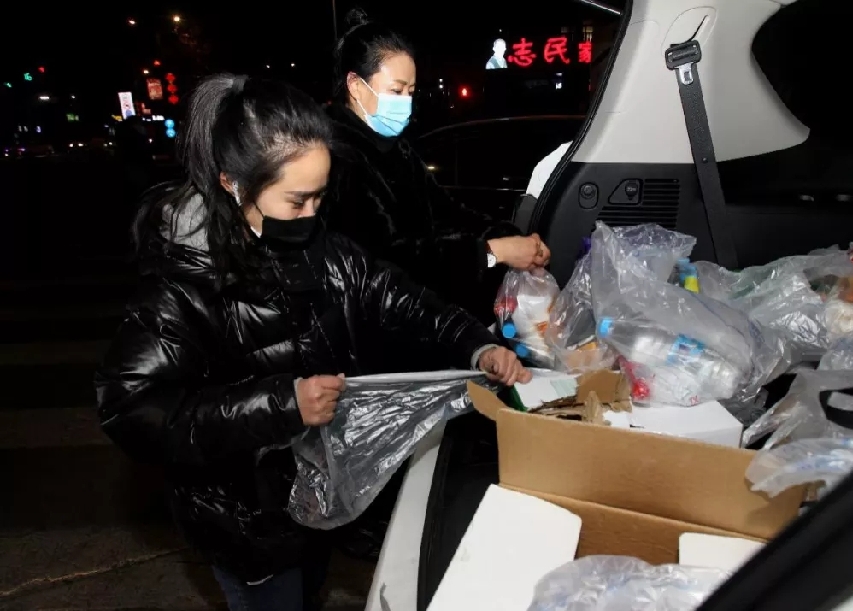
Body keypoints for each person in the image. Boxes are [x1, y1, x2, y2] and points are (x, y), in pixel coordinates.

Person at [94, 73, 531, 611]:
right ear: (233, 183)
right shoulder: (184, 283)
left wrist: (476, 346)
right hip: (245, 523)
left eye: (320, 197)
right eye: (296, 200)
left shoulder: (321, 247)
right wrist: (283, 404)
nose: (312, 215)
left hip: (311, 502)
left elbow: (401, 299)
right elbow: (130, 407)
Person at [324, 8, 550, 330]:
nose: (405, 102)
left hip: (430, 319)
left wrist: (513, 237)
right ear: (356, 86)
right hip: (382, 331)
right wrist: (491, 252)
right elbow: (386, 264)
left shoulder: (396, 149)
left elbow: (448, 211)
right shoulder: (336, 159)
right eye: (396, 91)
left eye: (411, 92)